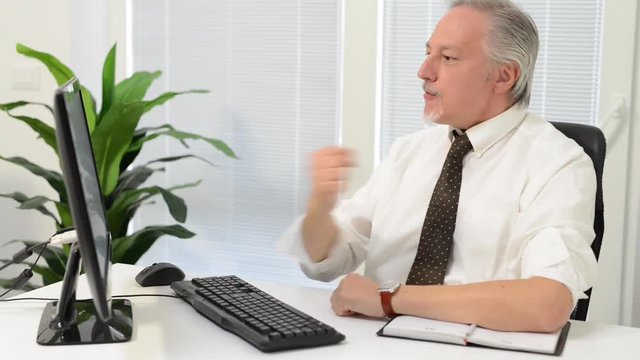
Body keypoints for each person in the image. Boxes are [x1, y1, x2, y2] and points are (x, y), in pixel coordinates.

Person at [278, 0, 597, 333]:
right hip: (373, 345)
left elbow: (547, 304)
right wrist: (319, 208)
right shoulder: (410, 152)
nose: (424, 71)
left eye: (448, 58)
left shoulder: (558, 163)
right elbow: (327, 260)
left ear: (504, 76)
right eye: (428, 53)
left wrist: (389, 299)